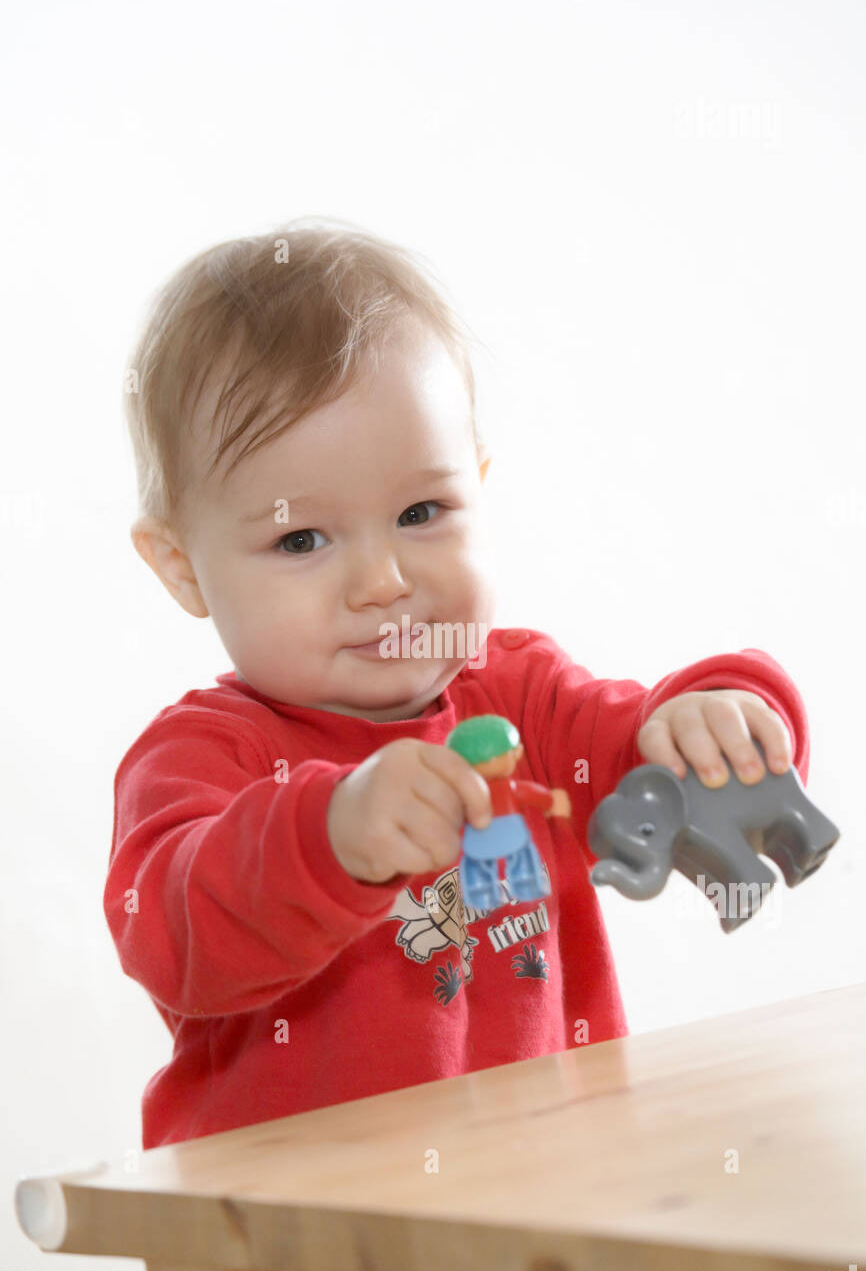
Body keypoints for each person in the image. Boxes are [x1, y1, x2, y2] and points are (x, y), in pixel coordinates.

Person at [106, 218, 806, 1160]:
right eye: (302, 540)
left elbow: (644, 740)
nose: (384, 580)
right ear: (182, 566)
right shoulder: (201, 759)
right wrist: (330, 836)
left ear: (478, 489)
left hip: (535, 1209)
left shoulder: (523, 701)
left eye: (421, 512)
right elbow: (175, 937)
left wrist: (722, 714)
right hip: (294, 1235)